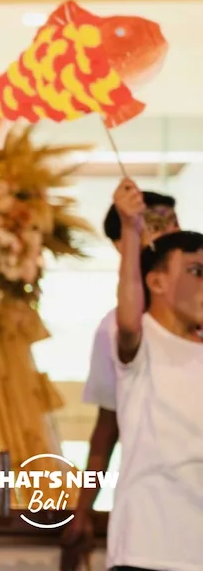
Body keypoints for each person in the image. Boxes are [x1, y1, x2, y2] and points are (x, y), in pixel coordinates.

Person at [59, 190, 178, 570]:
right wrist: (83, 508)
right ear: (123, 242)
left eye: (174, 223)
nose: (171, 234)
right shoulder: (113, 329)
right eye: (156, 225)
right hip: (148, 526)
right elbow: (105, 428)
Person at [108, 180, 202, 571]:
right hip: (147, 552)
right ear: (158, 282)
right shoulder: (142, 341)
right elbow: (128, 310)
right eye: (196, 271)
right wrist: (131, 231)